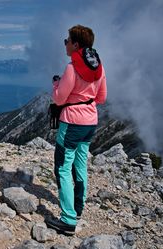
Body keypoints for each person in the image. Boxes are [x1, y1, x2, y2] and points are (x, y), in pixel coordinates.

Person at [46, 24, 107, 235]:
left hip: (71, 122)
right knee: (80, 165)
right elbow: (101, 97)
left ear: (76, 45)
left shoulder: (72, 68)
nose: (65, 44)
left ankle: (68, 220)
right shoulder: (99, 67)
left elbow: (59, 98)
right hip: (90, 123)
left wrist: (56, 84)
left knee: (63, 167)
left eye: (67, 41)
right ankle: (78, 209)